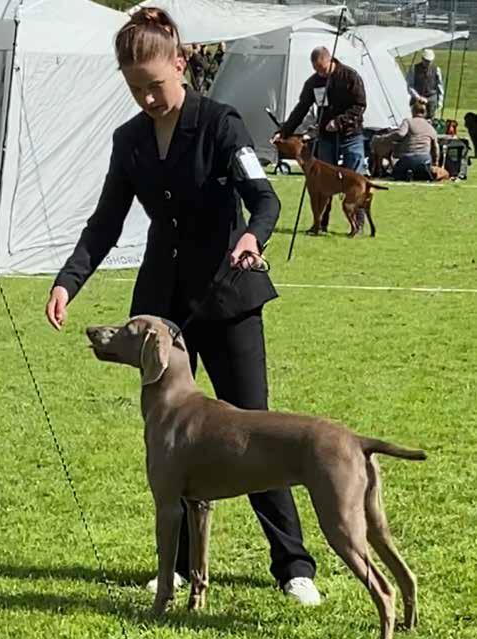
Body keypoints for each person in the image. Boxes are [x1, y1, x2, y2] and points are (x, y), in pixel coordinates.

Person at [45, 7, 320, 605]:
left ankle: (293, 565)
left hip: (226, 296)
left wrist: (253, 237)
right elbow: (105, 221)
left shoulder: (221, 124)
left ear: (180, 62)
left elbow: (264, 199)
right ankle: (176, 569)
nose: (147, 99)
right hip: (162, 314)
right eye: (134, 89)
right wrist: (69, 281)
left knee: (254, 428)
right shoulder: (130, 140)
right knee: (174, 440)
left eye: (154, 85)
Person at [276, 46, 367, 235]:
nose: (320, 73)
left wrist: (340, 121)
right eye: (316, 69)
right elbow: (301, 108)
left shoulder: (350, 77)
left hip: (351, 135)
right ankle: (320, 224)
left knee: (356, 179)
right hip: (326, 137)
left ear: (330, 60)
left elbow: (360, 105)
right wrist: (284, 132)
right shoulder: (313, 83)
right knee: (324, 183)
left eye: (323, 68)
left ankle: (357, 224)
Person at [378, 101, 439, 181]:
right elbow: (435, 148)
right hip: (424, 160)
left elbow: (400, 134)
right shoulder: (430, 127)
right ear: (425, 113)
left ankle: (406, 173)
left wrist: (384, 138)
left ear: (413, 111)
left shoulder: (408, 121)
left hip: (408, 158)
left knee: (396, 173)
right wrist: (435, 162)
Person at [406, 48, 444, 121]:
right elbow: (409, 86)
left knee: (430, 120)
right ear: (422, 59)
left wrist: (440, 102)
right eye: (426, 61)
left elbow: (440, 87)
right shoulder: (414, 69)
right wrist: (418, 97)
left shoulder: (437, 70)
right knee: (416, 120)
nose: (428, 63)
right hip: (417, 98)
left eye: (430, 61)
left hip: (431, 99)